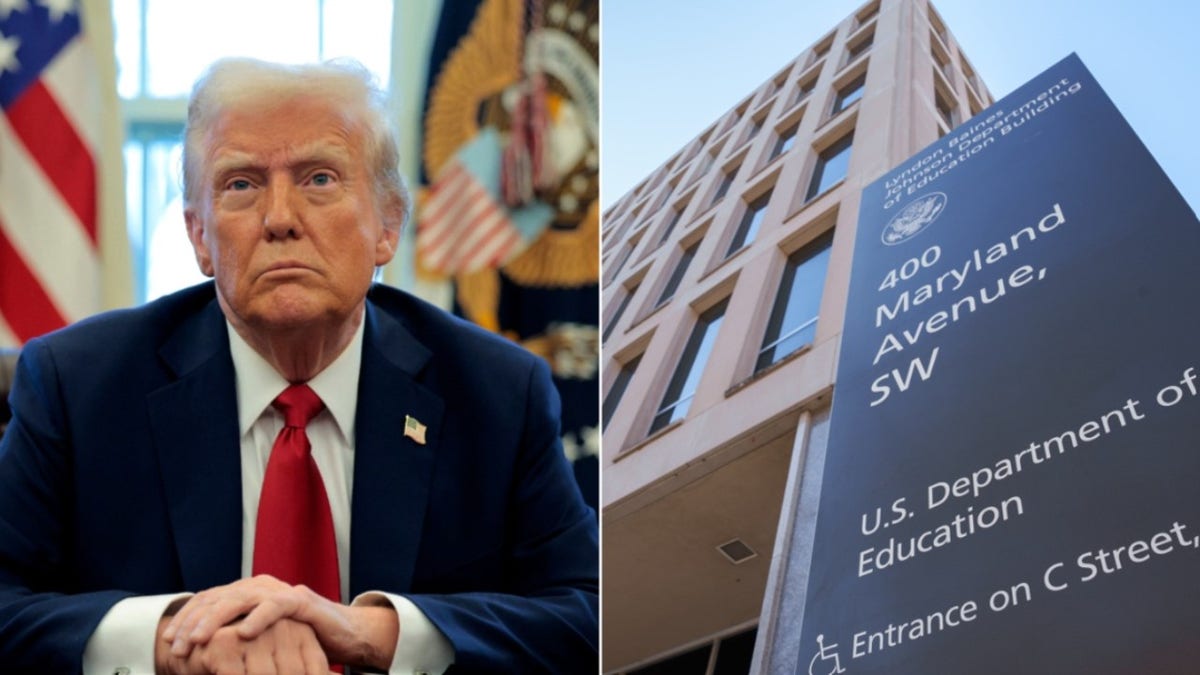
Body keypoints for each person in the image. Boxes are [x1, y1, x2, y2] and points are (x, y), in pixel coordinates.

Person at [0, 58, 598, 674]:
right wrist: (173, 639)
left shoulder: (497, 391)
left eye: (318, 178)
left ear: (387, 226)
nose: (280, 217)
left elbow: (590, 614)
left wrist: (376, 632)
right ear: (200, 237)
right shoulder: (78, 386)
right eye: (241, 184)